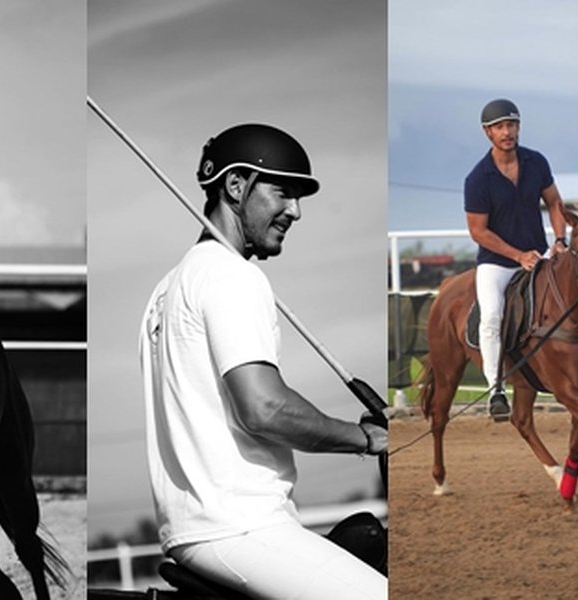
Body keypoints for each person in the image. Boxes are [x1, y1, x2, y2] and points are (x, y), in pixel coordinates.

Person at [139, 123, 388, 599]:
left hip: (196, 529)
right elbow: (264, 408)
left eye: (298, 198)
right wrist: (366, 438)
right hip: (241, 527)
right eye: (283, 192)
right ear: (236, 186)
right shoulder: (232, 276)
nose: (294, 211)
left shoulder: (165, 289)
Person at [465, 98, 578, 422]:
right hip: (497, 263)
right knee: (491, 317)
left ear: (518, 127)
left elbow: (555, 203)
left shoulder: (536, 162)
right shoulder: (477, 179)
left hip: (540, 252)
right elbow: (478, 231)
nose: (507, 132)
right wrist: (517, 255)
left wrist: (558, 241)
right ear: (487, 132)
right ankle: (497, 389)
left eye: (512, 125)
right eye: (500, 127)